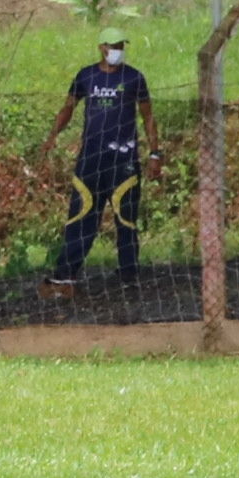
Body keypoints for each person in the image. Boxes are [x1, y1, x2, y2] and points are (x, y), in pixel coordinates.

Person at [38, 26, 162, 292]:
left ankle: (128, 275)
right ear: (101, 47)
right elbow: (68, 107)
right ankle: (66, 274)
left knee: (125, 218)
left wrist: (155, 153)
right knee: (81, 214)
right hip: (91, 158)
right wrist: (53, 136)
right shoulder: (86, 76)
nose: (117, 51)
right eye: (112, 46)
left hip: (124, 160)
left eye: (120, 46)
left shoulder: (134, 78)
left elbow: (148, 117)